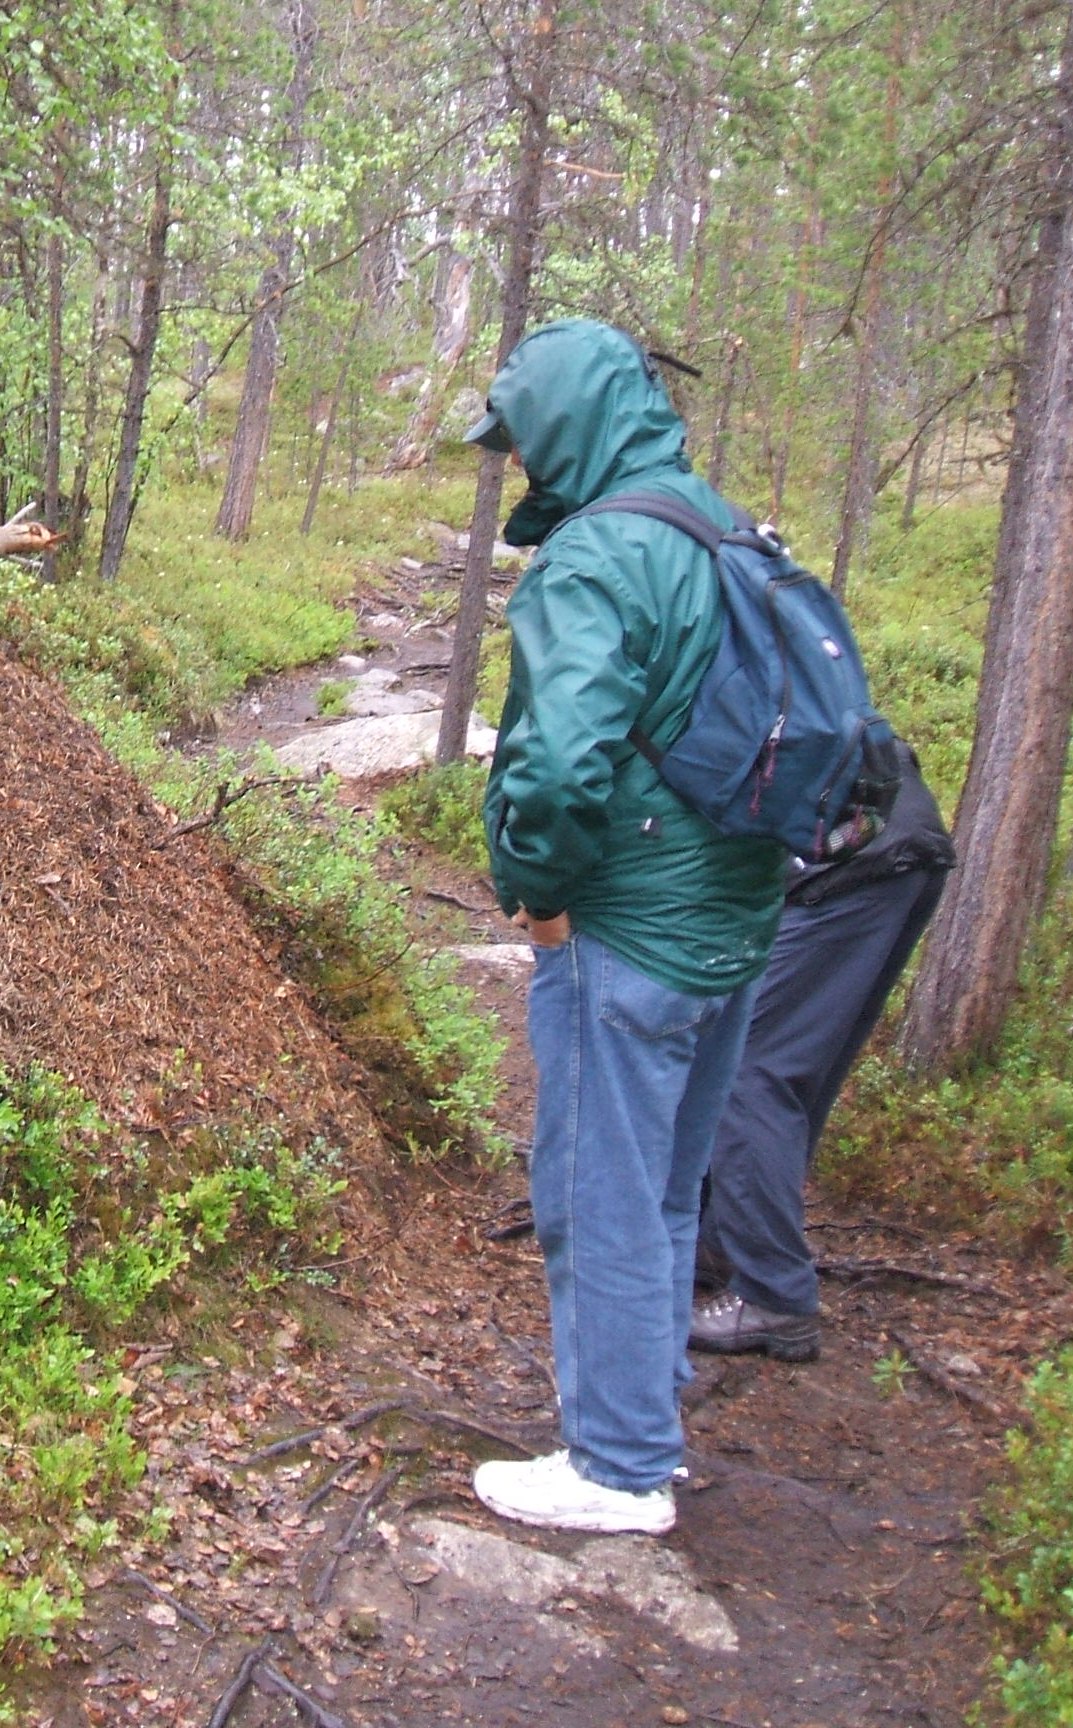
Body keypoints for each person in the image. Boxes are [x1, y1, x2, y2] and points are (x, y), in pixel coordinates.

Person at [464, 320, 788, 1536]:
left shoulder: (599, 559)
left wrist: (536, 893)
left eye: (523, 438)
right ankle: (646, 1414)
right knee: (659, 1190)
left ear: (564, 425)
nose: (517, 464)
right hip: (733, 926)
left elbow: (553, 773)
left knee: (595, 1190)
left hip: (632, 935)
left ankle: (618, 1466)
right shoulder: (718, 527)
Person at [689, 742, 955, 1360]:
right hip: (893, 835)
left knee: (749, 1073)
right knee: (792, 1069)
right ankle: (725, 1239)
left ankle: (773, 1291)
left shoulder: (670, 672)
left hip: (851, 857)